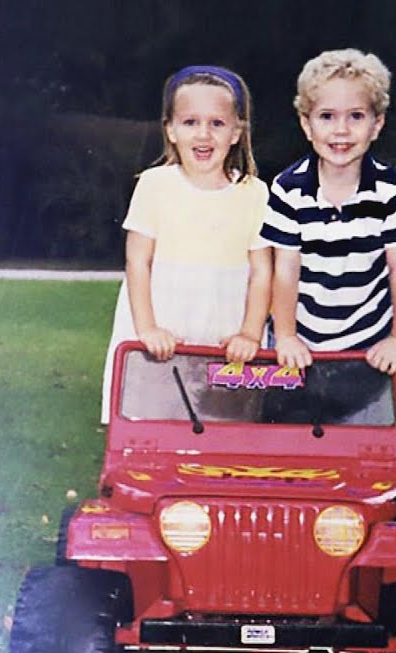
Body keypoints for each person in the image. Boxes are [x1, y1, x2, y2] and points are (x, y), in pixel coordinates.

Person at [100, 65, 271, 424]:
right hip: (163, 322)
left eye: (217, 123)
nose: (203, 134)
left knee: (221, 426)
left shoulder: (254, 193)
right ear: (171, 130)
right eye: (190, 122)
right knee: (154, 422)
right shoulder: (154, 184)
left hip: (224, 326)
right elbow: (138, 263)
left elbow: (261, 272)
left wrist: (250, 333)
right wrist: (147, 329)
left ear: (237, 131)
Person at [260, 49, 396, 376]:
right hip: (298, 342)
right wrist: (286, 336)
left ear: (377, 125)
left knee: (361, 424)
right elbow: (286, 271)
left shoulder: (392, 191)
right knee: (288, 423)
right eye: (326, 116)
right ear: (306, 125)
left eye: (356, 116)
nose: (341, 130)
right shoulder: (287, 189)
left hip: (368, 344)